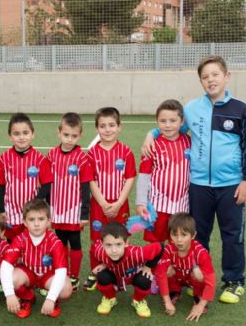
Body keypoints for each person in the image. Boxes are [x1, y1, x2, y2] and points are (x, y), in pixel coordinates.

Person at [143, 55, 246, 304]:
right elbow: (174, 127)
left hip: (230, 185)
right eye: (205, 77)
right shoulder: (193, 109)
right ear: (201, 82)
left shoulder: (241, 109)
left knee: (232, 235)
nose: (210, 80)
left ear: (226, 76)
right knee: (199, 235)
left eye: (215, 74)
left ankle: (233, 281)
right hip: (198, 186)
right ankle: (196, 279)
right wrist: (151, 133)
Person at [84, 107, 136, 291]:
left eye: (112, 125)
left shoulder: (126, 151)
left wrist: (120, 202)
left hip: (120, 204)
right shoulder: (91, 153)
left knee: (121, 237)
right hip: (99, 205)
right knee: (97, 239)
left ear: (119, 127)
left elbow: (130, 177)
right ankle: (97, 271)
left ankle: (121, 271)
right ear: (96, 128)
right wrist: (104, 203)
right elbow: (90, 179)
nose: (107, 130)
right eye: (103, 126)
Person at [0, 199, 73, 318]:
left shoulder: (55, 242)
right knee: (11, 278)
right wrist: (9, 294)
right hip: (28, 274)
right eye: (31, 219)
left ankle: (53, 302)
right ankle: (27, 297)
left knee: (66, 289)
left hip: (48, 276)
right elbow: (5, 266)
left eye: (41, 219)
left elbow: (61, 272)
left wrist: (51, 298)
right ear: (24, 222)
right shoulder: (19, 239)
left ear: (49, 221)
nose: (36, 224)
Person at [46, 112, 92, 292]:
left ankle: (74, 276)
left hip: (74, 210)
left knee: (75, 242)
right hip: (56, 209)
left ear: (80, 136)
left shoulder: (81, 158)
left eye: (74, 136)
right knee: (59, 242)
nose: (69, 139)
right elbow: (47, 182)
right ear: (59, 133)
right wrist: (48, 208)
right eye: (66, 135)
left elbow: (86, 187)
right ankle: (61, 272)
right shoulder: (51, 155)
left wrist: (84, 213)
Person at [135, 99, 191, 244]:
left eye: (173, 120)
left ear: (182, 121)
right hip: (157, 205)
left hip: (181, 205)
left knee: (178, 240)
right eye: (163, 121)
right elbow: (144, 176)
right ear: (157, 121)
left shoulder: (189, 142)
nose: (167, 125)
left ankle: (175, 266)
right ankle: (152, 266)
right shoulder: (151, 145)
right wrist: (141, 202)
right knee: (155, 242)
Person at [0, 113, 53, 241]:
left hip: (32, 213)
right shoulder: (3, 159)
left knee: (33, 242)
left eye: (25, 133)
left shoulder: (40, 159)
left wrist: (36, 203)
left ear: (32, 134)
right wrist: (0, 210)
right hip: (10, 212)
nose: (21, 137)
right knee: (12, 244)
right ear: (10, 136)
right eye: (17, 134)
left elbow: (47, 184)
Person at [90, 222, 162, 318]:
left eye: (118, 244)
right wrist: (100, 264)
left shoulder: (136, 253)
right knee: (102, 275)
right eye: (108, 245)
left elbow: (160, 247)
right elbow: (93, 249)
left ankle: (138, 300)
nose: (114, 250)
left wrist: (148, 267)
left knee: (145, 279)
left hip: (133, 275)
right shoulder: (100, 251)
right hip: (114, 274)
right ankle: (110, 298)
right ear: (102, 244)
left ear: (126, 243)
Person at [155, 213, 216, 322]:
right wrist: (167, 302)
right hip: (177, 276)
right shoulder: (168, 249)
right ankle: (174, 290)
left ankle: (198, 296)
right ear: (170, 235)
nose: (179, 240)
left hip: (193, 279)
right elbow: (160, 274)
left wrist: (201, 306)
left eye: (184, 235)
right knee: (166, 270)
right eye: (175, 234)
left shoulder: (201, 252)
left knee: (198, 273)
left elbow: (211, 282)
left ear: (193, 235)